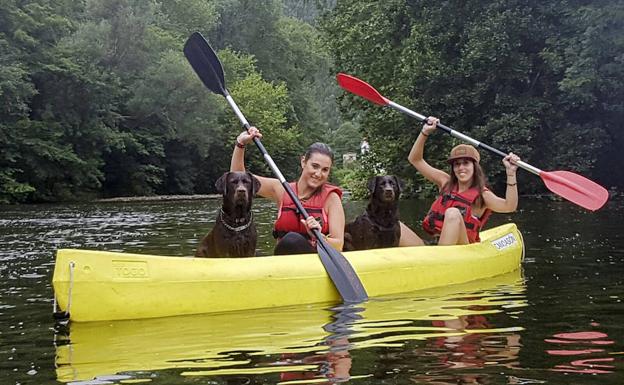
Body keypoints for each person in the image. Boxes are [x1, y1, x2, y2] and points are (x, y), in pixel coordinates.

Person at [403, 116, 521, 246]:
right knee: (395, 226)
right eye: (457, 164)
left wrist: (511, 173)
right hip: (435, 246)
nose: (461, 168)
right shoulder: (445, 182)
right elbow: (415, 159)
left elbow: (509, 206)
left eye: (466, 163)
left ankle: (440, 260)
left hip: (461, 249)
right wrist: (425, 132)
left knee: (453, 212)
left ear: (474, 167)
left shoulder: (483, 195)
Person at [231, 126, 345, 254]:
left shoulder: (331, 198)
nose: (318, 174)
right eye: (315, 166)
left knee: (292, 240)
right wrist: (240, 143)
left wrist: (318, 236)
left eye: (325, 170)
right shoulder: (281, 189)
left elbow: (338, 245)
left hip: (315, 263)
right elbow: (238, 177)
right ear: (303, 162)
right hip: (284, 263)